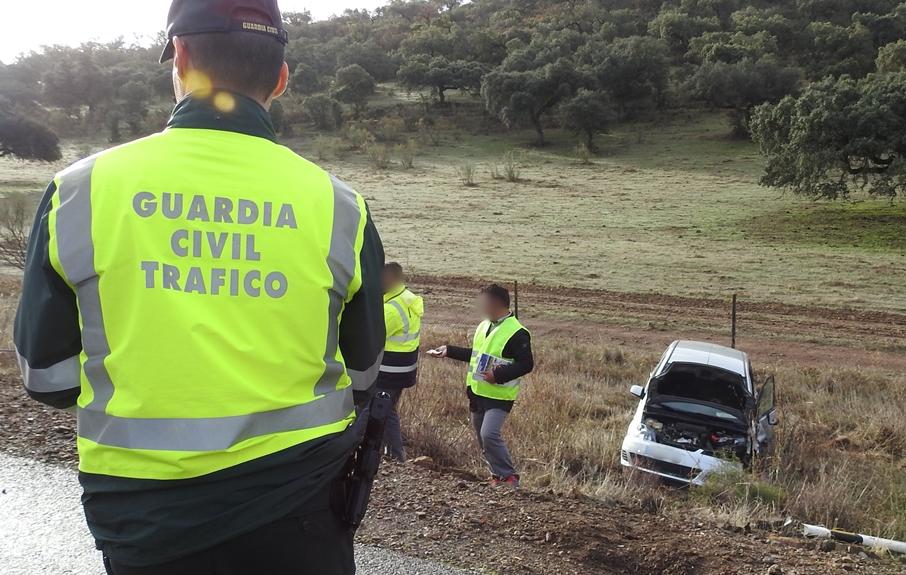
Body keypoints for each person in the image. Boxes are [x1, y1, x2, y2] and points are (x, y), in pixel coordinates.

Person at [13, 1, 386, 573]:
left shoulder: (79, 190)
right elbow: (362, 375)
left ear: (179, 58)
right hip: (300, 509)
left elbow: (49, 379)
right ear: (282, 78)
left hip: (144, 517)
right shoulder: (341, 207)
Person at [429, 284, 533, 487]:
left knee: (489, 434)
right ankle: (498, 476)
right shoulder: (484, 325)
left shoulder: (518, 333)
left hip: (499, 395)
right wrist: (449, 351)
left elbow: (526, 364)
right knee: (482, 436)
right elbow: (476, 355)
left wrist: (498, 375)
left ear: (495, 304)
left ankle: (509, 478)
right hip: (477, 392)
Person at [374, 262, 424, 462]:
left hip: (388, 371)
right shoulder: (406, 300)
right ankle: (396, 456)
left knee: (370, 408)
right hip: (403, 371)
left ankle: (346, 445)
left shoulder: (392, 310)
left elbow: (369, 337)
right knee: (387, 410)